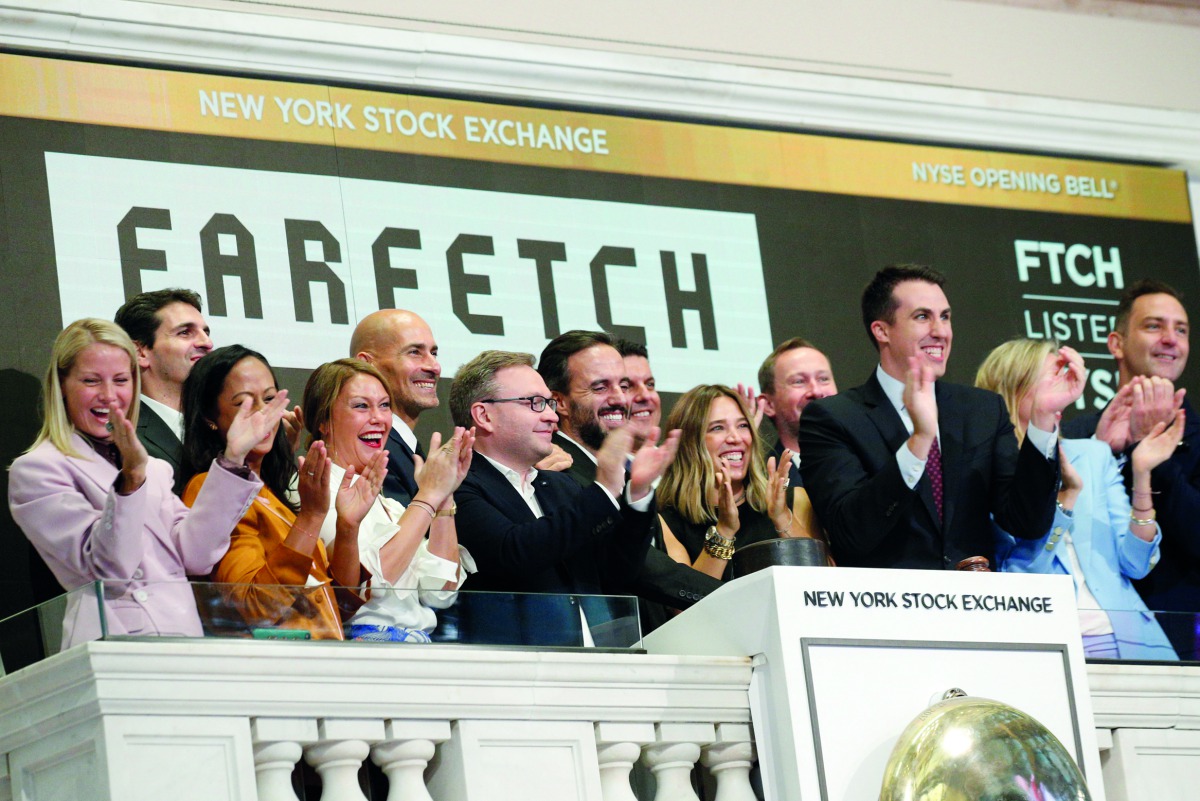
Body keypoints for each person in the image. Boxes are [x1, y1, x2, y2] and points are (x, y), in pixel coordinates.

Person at [9, 320, 276, 648]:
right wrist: (131, 483)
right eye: (91, 381)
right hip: (114, 648)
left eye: (121, 380)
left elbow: (196, 555)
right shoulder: (38, 470)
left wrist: (233, 458)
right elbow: (109, 573)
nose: (109, 396)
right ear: (62, 385)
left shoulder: (157, 469)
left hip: (184, 642)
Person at [800, 264, 1083, 570]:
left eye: (945, 317)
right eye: (923, 317)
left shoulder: (982, 410)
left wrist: (1043, 419)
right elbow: (851, 532)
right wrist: (919, 442)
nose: (941, 331)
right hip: (886, 609)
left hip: (975, 608)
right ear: (882, 330)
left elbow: (1026, 522)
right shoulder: (833, 418)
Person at [450, 350, 678, 645]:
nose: (551, 415)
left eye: (548, 403)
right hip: (518, 675)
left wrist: (637, 494)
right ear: (484, 415)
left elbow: (617, 571)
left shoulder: (561, 487)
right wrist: (606, 488)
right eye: (535, 403)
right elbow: (515, 551)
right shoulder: (457, 486)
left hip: (600, 665)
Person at [978, 338, 1181, 660]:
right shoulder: (987, 471)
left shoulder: (1092, 454)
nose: (1065, 387)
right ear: (1015, 385)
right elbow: (1021, 580)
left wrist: (1142, 473)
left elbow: (1137, 563)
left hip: (1136, 643)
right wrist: (1065, 503)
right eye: (1054, 374)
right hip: (1049, 649)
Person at [180, 346, 370, 640]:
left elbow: (338, 608)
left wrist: (347, 528)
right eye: (244, 403)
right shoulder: (210, 489)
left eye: (269, 399)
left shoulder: (274, 491)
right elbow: (256, 608)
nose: (261, 414)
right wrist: (311, 517)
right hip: (272, 673)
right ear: (210, 416)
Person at [538, 331, 721, 623]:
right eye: (600, 387)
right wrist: (735, 597)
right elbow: (643, 568)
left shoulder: (629, 476)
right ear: (559, 402)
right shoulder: (553, 472)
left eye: (622, 385)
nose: (620, 399)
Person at [1061, 280, 1200, 657]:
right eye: (1154, 326)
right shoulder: (1074, 436)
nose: (1171, 339)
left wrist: (1150, 454)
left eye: (1181, 330)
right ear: (1116, 344)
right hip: (1091, 642)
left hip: (1183, 645)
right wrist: (1104, 453)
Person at [301, 358, 475, 642]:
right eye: (361, 406)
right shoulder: (311, 492)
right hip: (360, 653)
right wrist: (427, 496)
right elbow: (370, 585)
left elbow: (440, 591)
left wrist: (444, 496)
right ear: (323, 421)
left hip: (415, 648)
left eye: (384, 406)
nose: (379, 419)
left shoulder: (391, 507)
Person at [657, 385, 814, 581]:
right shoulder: (666, 521)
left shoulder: (793, 499)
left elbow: (828, 585)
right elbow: (682, 606)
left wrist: (781, 516)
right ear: (690, 444)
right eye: (717, 428)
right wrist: (724, 531)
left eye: (742, 426)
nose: (736, 438)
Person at [114, 288, 213, 493]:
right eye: (185, 332)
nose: (207, 343)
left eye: (206, 332)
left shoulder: (221, 429)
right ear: (140, 352)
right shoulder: (121, 440)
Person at [350, 309, 443, 505]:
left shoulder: (405, 450)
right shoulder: (374, 453)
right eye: (415, 352)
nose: (434, 366)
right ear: (367, 365)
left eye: (433, 353)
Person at [757, 337, 838, 487]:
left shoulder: (871, 458)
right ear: (768, 404)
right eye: (799, 381)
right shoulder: (760, 483)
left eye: (823, 379)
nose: (816, 391)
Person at [615, 338, 662, 450]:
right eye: (627, 386)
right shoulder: (583, 466)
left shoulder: (676, 465)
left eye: (650, 384)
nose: (645, 395)